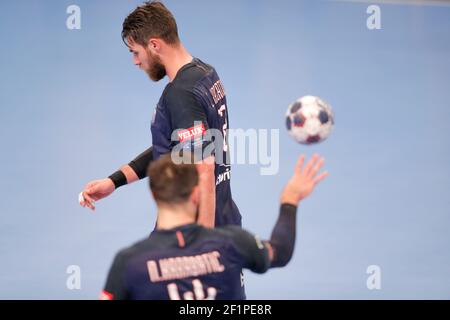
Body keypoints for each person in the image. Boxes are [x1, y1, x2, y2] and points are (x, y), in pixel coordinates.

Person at [78, 1, 240, 228]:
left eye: (135, 52)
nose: (135, 62)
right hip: (224, 219)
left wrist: (204, 246)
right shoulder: (205, 72)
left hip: (190, 231)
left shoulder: (180, 93)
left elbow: (204, 169)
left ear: (154, 45)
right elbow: (176, 149)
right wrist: (113, 181)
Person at [100, 154, 328, 300]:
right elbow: (280, 252)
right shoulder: (234, 243)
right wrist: (290, 199)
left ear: (153, 195)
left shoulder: (130, 263)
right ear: (196, 194)